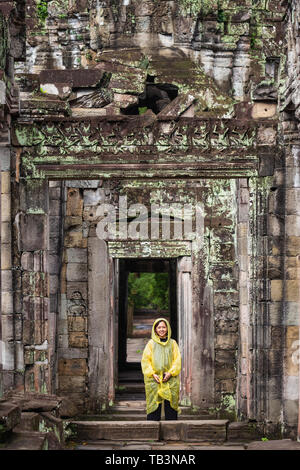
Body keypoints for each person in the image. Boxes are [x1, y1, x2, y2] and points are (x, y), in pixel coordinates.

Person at [141, 317, 181, 421]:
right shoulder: (151, 344)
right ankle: (152, 430)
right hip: (154, 379)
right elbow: (146, 361)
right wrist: (152, 374)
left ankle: (172, 431)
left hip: (170, 379)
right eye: (159, 327)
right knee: (153, 405)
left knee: (171, 405)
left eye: (164, 327)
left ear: (167, 329)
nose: (161, 329)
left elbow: (177, 360)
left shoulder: (173, 343)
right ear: (155, 330)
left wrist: (171, 373)